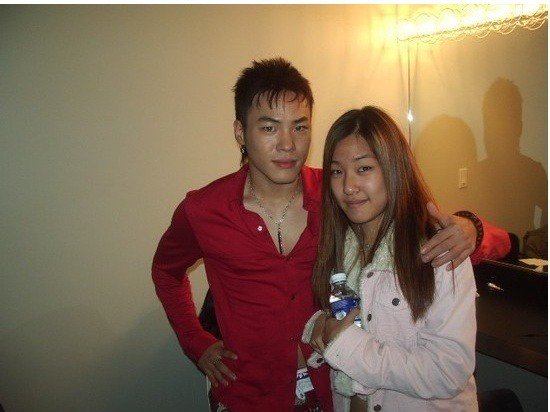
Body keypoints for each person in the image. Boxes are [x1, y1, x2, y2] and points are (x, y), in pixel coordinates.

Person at [152, 58, 496, 412]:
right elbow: (165, 272)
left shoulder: (338, 195)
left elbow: (415, 223)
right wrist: (196, 342)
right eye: (269, 128)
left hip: (331, 391)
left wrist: (472, 228)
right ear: (241, 132)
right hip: (251, 396)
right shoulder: (203, 210)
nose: (288, 144)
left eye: (300, 127)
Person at [305, 106, 478, 411]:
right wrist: (320, 326)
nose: (348, 187)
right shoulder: (338, 247)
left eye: (364, 168)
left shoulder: (438, 250)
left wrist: (345, 345)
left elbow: (447, 371)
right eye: (337, 171)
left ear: (393, 168)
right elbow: (332, 317)